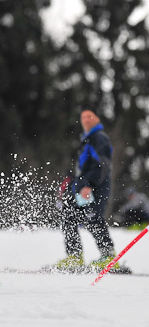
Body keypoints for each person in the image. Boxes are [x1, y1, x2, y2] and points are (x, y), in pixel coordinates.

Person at [52, 105, 125, 272]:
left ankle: (108, 257)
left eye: (90, 116)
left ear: (97, 119)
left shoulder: (100, 138)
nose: (86, 120)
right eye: (83, 117)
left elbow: (103, 165)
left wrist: (89, 185)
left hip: (95, 187)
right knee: (68, 216)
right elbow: (82, 167)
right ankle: (74, 257)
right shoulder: (86, 139)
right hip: (82, 187)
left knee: (93, 219)